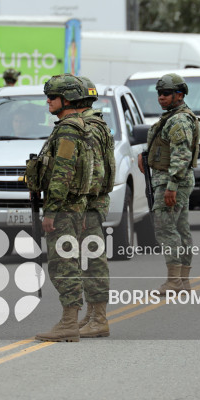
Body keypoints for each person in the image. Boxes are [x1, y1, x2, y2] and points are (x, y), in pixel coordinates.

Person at [27, 74, 96, 342]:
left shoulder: (68, 130)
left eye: (52, 97)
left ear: (67, 99)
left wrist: (52, 211)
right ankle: (70, 321)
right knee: (68, 262)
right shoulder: (76, 126)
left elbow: (62, 173)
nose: (48, 101)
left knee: (63, 265)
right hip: (73, 206)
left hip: (64, 208)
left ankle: (69, 323)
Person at [138, 73, 200, 293]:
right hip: (173, 179)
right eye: (159, 93)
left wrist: (171, 186)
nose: (161, 97)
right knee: (180, 229)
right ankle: (182, 280)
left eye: (166, 93)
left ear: (179, 95)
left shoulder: (179, 120)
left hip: (171, 181)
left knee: (166, 229)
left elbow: (181, 155)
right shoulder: (173, 117)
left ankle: (174, 281)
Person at [75, 76, 114, 338]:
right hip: (90, 203)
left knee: (93, 260)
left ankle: (99, 319)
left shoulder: (89, 127)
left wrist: (83, 205)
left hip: (89, 204)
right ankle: (91, 315)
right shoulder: (92, 123)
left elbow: (94, 171)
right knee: (86, 260)